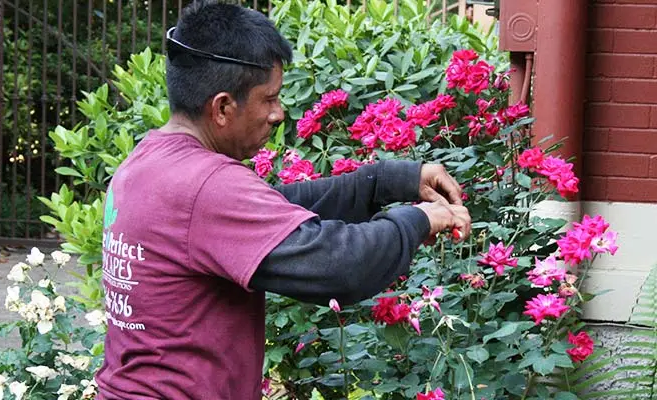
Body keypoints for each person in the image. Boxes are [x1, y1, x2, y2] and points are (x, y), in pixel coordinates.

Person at [93, 1, 472, 399]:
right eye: (269, 98)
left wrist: (387, 181)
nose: (279, 113)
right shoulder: (207, 186)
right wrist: (420, 220)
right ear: (222, 107)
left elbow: (274, 207)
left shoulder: (150, 162)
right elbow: (337, 265)